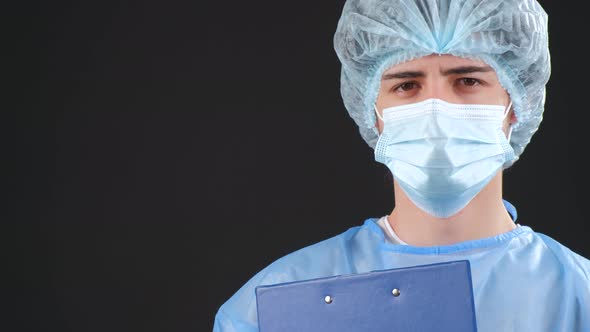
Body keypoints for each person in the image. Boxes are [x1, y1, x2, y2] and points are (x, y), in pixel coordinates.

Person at [213, 0, 590, 331]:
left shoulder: (577, 296)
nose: (437, 109)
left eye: (468, 80)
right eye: (407, 85)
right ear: (372, 112)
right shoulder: (272, 306)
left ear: (516, 106)